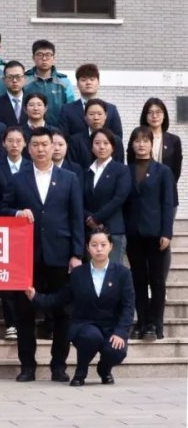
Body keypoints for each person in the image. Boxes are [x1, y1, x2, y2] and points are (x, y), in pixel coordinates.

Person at [1, 127, 84, 383]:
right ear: (29, 148)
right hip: (28, 257)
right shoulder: (18, 179)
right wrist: (17, 213)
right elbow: (2, 209)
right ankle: (27, 366)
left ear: (53, 146)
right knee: (25, 313)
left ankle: (58, 366)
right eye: (35, 145)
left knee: (63, 313)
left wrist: (77, 254)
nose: (41, 149)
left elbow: (76, 218)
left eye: (45, 144)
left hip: (60, 255)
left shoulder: (69, 178)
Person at [26, 228, 135, 386]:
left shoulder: (122, 273)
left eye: (103, 245)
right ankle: (81, 371)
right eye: (94, 245)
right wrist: (35, 297)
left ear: (111, 246)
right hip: (85, 324)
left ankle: (104, 370)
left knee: (116, 351)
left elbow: (128, 306)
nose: (99, 249)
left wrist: (120, 332)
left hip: (111, 326)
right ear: (87, 248)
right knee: (91, 337)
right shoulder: (78, 274)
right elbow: (59, 298)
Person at [125, 126, 175, 340]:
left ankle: (155, 324)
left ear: (151, 144)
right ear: (132, 145)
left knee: (156, 280)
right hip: (133, 233)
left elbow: (168, 203)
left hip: (156, 234)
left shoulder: (163, 171)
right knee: (138, 279)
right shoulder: (125, 170)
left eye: (145, 140)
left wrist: (167, 232)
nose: (141, 144)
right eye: (137, 141)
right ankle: (142, 322)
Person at [0, 126, 30, 341]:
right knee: (7, 275)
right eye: (10, 140)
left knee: (26, 276)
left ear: (25, 143)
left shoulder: (31, 166)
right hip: (3, 227)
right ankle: (11, 323)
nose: (14, 144)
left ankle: (26, 321)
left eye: (18, 140)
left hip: (28, 229)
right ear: (3, 143)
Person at [84, 128, 131, 264]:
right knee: (93, 273)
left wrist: (96, 218)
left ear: (113, 147)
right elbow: (79, 200)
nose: (102, 147)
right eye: (97, 143)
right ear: (91, 146)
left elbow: (119, 198)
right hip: (90, 231)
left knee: (113, 272)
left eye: (106, 143)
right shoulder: (86, 172)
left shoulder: (121, 170)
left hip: (113, 230)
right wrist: (89, 218)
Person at [130, 98, 182, 208]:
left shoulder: (174, 140)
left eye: (158, 112)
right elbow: (132, 165)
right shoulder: (137, 138)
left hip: (167, 195)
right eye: (150, 112)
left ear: (164, 115)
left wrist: (166, 187)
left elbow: (176, 171)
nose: (154, 116)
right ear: (145, 116)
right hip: (143, 196)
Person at [59, 63, 123, 139]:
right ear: (77, 84)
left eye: (92, 79)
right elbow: (63, 138)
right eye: (83, 80)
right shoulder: (67, 110)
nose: (88, 83)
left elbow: (117, 138)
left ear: (98, 83)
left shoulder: (111, 109)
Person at [22, 40, 75, 129]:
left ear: (53, 58)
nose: (44, 58)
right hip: (30, 130)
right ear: (33, 58)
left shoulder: (64, 82)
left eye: (48, 55)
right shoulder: (24, 80)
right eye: (40, 54)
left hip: (58, 130)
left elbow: (71, 109)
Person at [67, 99, 125, 169]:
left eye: (99, 114)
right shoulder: (75, 141)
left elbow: (120, 167)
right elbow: (72, 168)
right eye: (91, 114)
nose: (96, 118)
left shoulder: (116, 140)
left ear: (106, 116)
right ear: (85, 117)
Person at [0, 61, 28, 128]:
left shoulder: (32, 102)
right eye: (10, 77)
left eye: (18, 76)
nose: (14, 80)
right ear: (4, 80)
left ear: (24, 79)